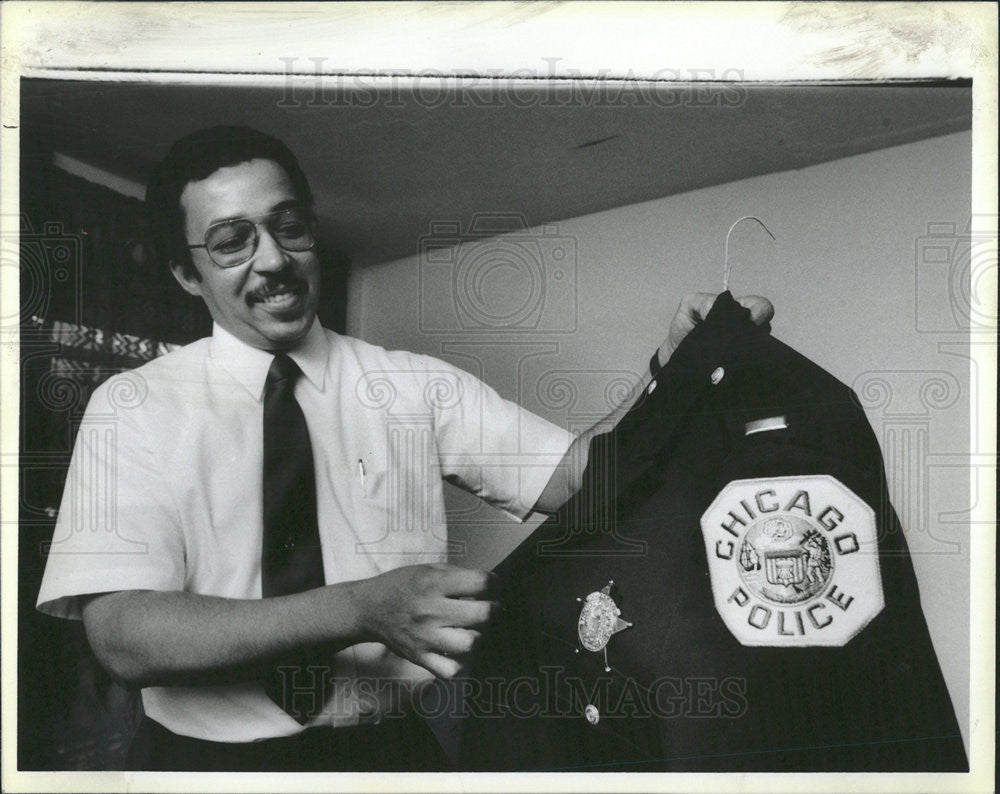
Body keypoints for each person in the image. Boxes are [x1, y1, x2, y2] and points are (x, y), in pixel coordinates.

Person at [35, 126, 774, 772]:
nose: (273, 261)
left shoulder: (417, 387)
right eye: (232, 241)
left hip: (389, 757)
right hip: (203, 766)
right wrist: (359, 608)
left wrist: (668, 370)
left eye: (288, 226)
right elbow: (123, 635)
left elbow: (581, 479)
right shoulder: (132, 406)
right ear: (184, 271)